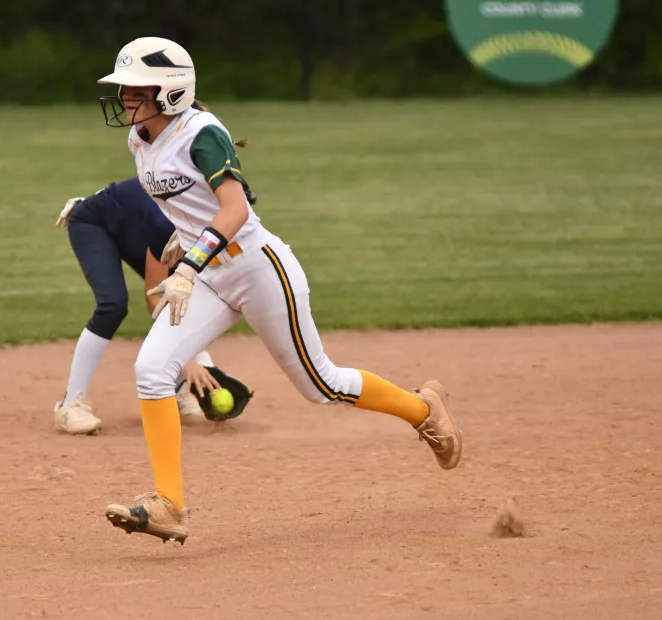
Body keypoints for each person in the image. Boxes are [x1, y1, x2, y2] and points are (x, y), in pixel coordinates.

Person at [96, 37, 464, 544]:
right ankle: (169, 505)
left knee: (321, 385)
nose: (125, 98)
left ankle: (424, 409)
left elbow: (235, 210)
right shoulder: (140, 140)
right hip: (207, 275)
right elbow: (189, 206)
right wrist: (183, 243)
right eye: (124, 88)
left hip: (257, 268)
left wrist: (190, 263)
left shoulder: (201, 133)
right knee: (152, 369)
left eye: (138, 89)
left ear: (171, 92)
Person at [52, 176, 248, 434]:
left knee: (191, 295)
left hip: (136, 228)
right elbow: (154, 297)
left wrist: (204, 365)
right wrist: (188, 359)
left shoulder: (221, 229)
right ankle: (70, 404)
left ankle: (178, 390)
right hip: (95, 223)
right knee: (113, 304)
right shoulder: (168, 223)